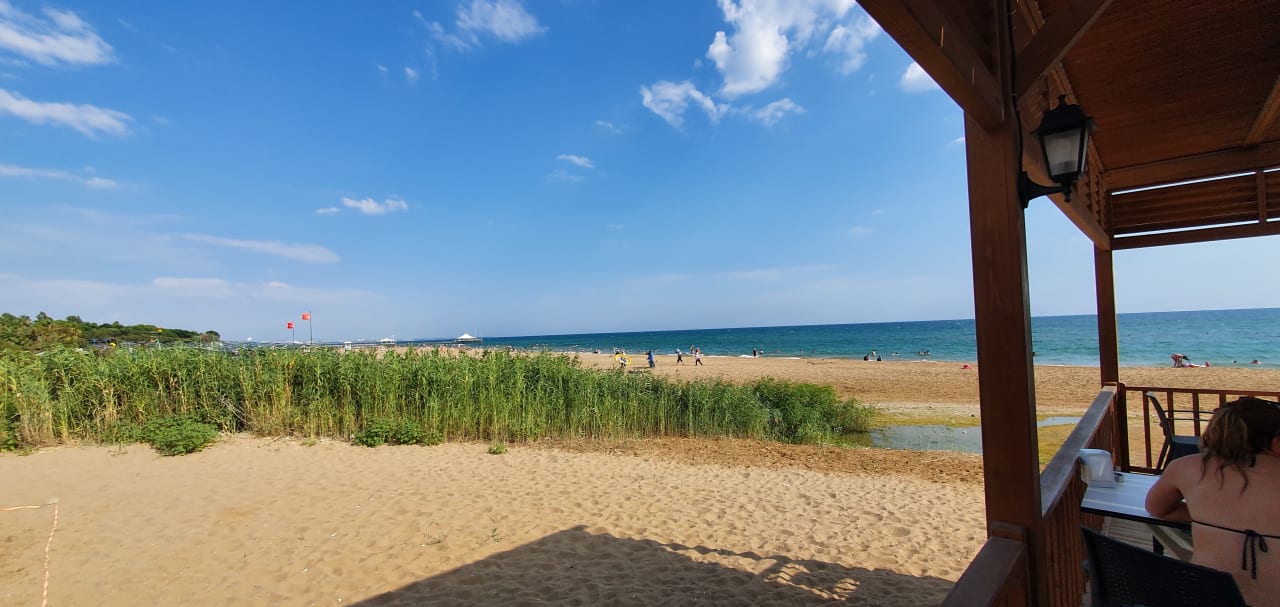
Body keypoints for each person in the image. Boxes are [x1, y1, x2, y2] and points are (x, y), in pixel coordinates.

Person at [1145, 397, 1280, 605]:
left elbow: (1157, 509)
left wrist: (1215, 517)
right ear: (1275, 442)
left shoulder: (1185, 467)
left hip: (1206, 597)